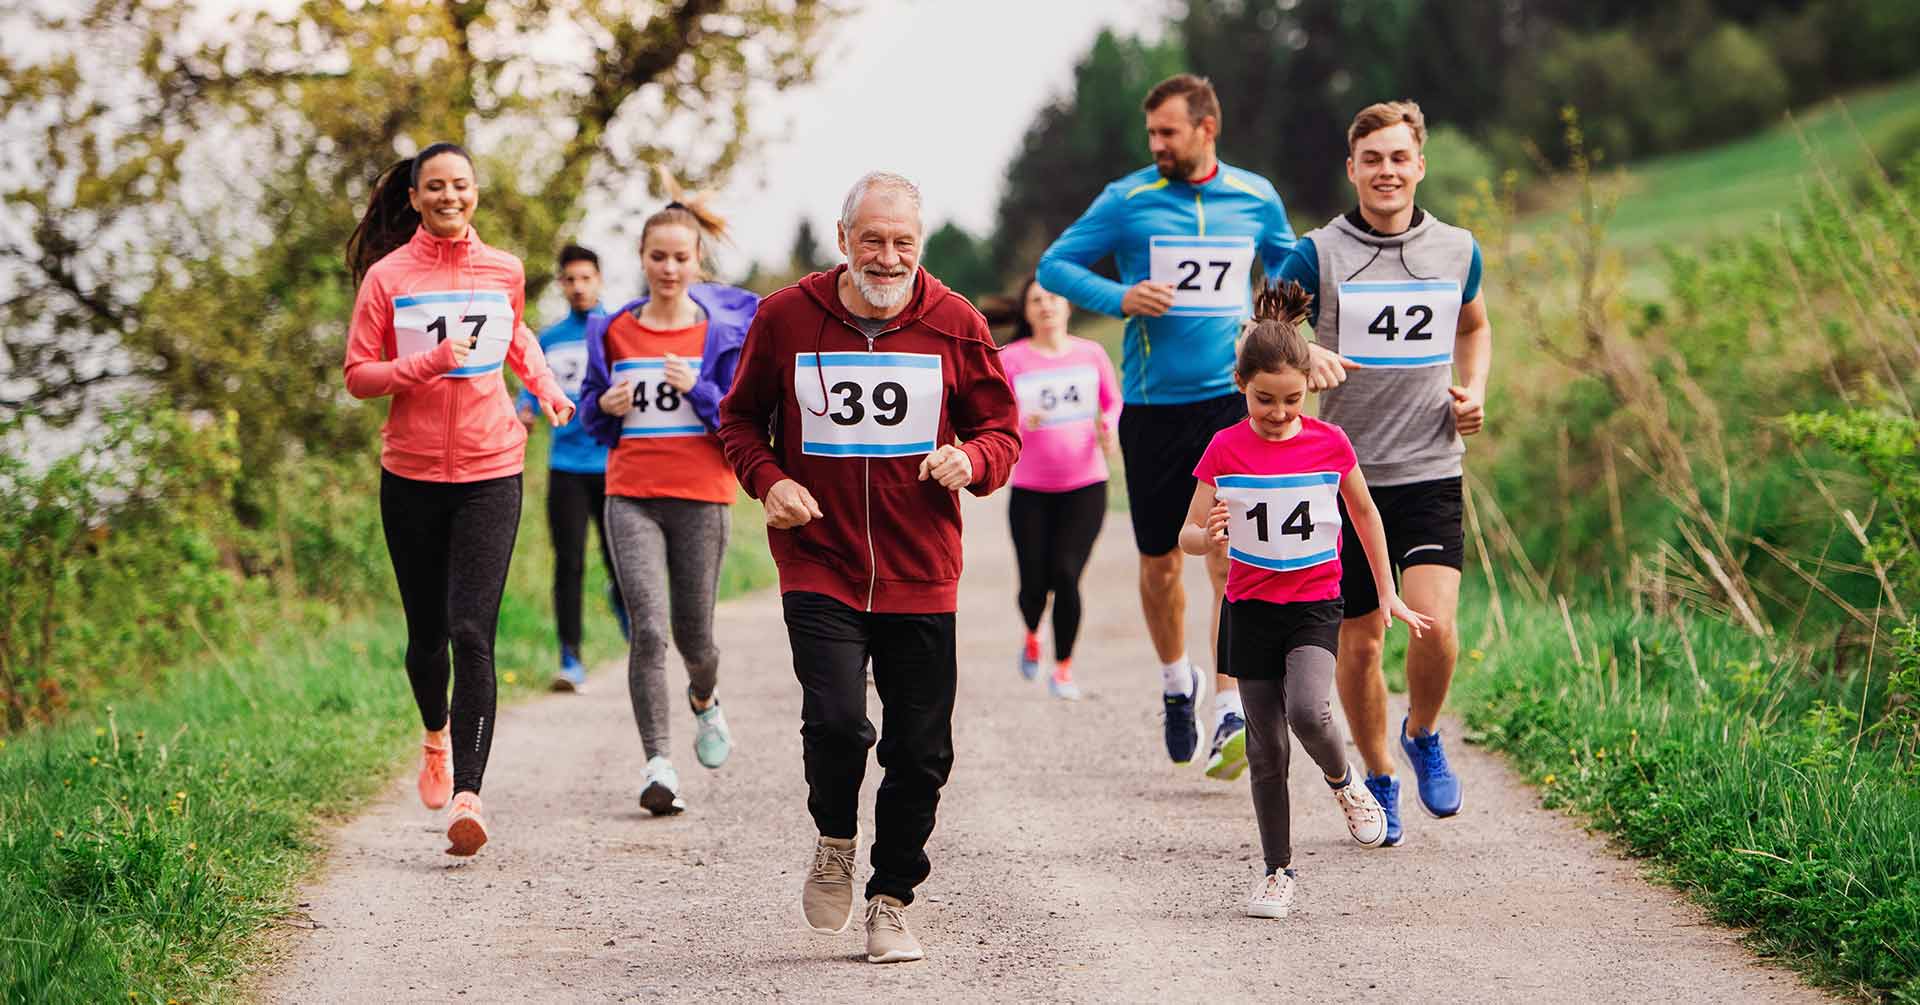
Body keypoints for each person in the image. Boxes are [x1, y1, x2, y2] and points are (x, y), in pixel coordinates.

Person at [716, 171, 1020, 964]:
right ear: (845, 239)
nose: (887, 258)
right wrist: (769, 480)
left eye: (903, 243)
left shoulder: (957, 323)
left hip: (921, 566)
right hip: (820, 558)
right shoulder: (786, 316)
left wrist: (973, 457)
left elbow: (1001, 431)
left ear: (921, 246)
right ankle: (836, 836)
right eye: (873, 240)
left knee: (921, 748)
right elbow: (740, 418)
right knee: (838, 721)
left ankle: (890, 899)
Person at [1037, 73, 1296, 781]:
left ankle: (1227, 705)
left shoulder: (1255, 196)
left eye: (1168, 133)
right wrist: (1120, 296)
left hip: (1227, 402)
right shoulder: (1128, 201)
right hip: (1152, 406)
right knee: (1160, 565)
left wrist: (1270, 323)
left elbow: (1287, 265)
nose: (1156, 145)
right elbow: (1054, 266)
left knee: (1227, 556)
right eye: (1151, 133)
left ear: (1206, 129)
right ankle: (1177, 680)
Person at [343, 142, 574, 857]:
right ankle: (435, 735)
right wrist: (428, 363)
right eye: (435, 186)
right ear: (413, 197)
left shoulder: (502, 268)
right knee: (426, 639)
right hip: (410, 474)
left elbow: (516, 334)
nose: (450, 196)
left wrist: (545, 385)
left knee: (474, 631)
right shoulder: (387, 277)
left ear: (475, 192)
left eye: (461, 185)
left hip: (490, 466)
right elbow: (359, 375)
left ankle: (469, 797)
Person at [1274, 100, 1493, 844]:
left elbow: (1475, 324)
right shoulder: (1317, 253)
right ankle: (1379, 773)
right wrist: (1305, 355)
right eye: (1373, 159)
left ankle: (1423, 732)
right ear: (1353, 169)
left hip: (1431, 465)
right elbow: (1263, 330)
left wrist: (1476, 391)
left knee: (1436, 627)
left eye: (1400, 157)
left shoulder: (1459, 249)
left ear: (1420, 164)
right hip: (1343, 476)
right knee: (1361, 643)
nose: (1387, 171)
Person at [1179, 279, 1429, 919]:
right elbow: (1185, 532)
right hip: (1249, 609)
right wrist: (1204, 537)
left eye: (1293, 399)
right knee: (1265, 749)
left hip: (1316, 605)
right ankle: (1276, 871)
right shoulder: (1224, 448)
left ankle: (1346, 785)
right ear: (1242, 387)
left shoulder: (1328, 443)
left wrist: (1388, 592)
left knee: (1310, 713)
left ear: (1308, 391)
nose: (1280, 412)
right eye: (1265, 399)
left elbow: (1367, 517)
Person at [578, 178, 760, 816]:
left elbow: (741, 420)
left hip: (701, 499)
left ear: (697, 261)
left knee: (695, 638)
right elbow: (592, 419)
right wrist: (602, 403)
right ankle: (658, 762)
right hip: (631, 495)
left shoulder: (720, 332)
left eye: (681, 258)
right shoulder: (614, 329)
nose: (670, 268)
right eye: (659, 257)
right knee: (648, 631)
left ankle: (705, 699)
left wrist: (701, 390)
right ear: (642, 257)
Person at [996, 276, 1121, 700]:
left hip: (1085, 486)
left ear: (1068, 307)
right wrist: (1016, 423)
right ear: (1026, 311)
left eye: (1053, 298)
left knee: (1066, 575)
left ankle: (1063, 668)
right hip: (1030, 489)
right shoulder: (1011, 359)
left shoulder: (1091, 354)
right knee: (1033, 584)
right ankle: (1033, 630)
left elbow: (1112, 402)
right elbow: (995, 415)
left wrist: (1109, 426)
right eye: (1036, 300)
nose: (1046, 306)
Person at [513, 244, 626, 692]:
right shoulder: (550, 339)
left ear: (599, 280)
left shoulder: (619, 331)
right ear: (561, 284)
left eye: (586, 278)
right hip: (566, 468)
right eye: (570, 280)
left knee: (621, 562)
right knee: (569, 564)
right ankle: (570, 658)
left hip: (614, 464)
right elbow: (530, 392)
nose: (578, 287)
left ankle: (635, 631)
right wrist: (525, 410)